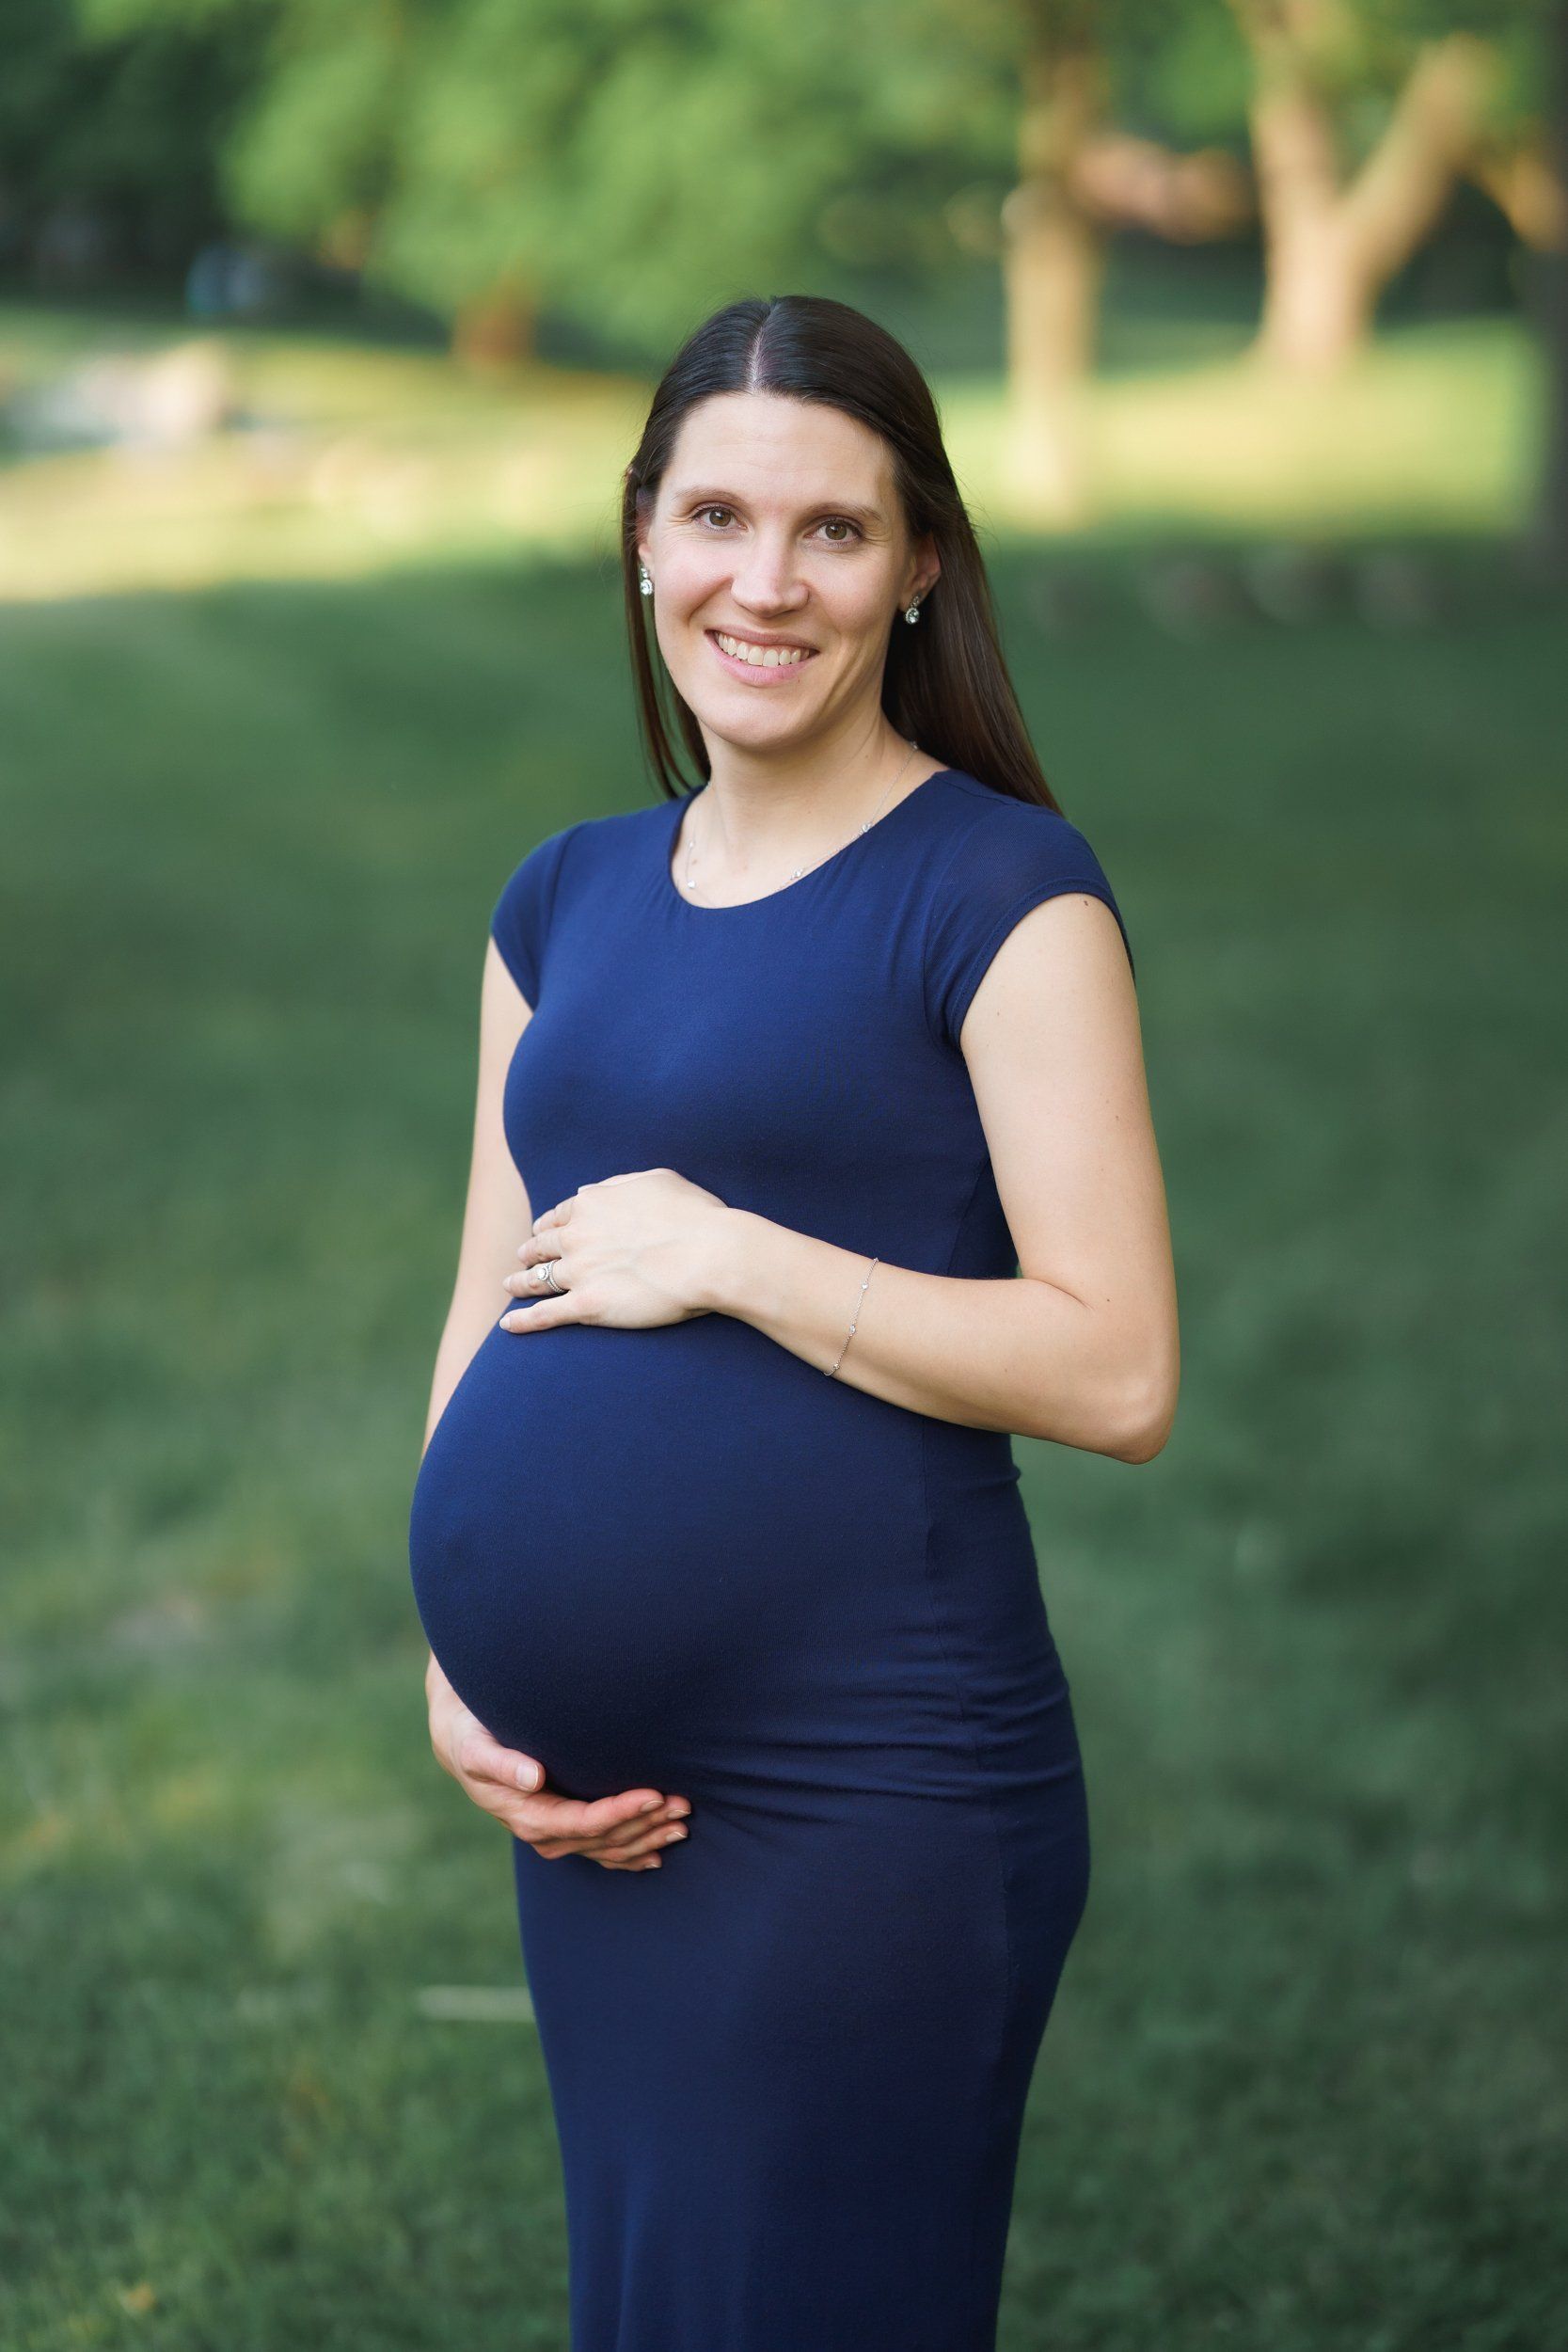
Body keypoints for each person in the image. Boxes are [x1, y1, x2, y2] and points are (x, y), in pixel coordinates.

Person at [408, 292, 1179, 2351]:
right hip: (594, 1807)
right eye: (719, 514)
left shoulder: (1005, 894)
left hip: (876, 1792)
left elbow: (1119, 1369)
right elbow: (488, 1295)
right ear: (643, 535)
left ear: (920, 564)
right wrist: (454, 1666)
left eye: (834, 532)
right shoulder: (560, 898)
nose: (767, 582)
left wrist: (741, 1254)